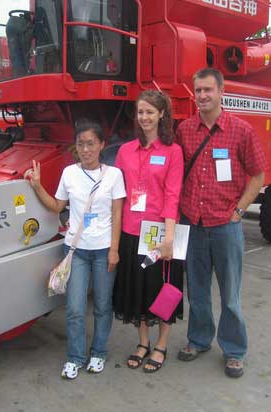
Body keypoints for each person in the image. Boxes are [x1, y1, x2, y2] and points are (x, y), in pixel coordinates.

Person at [176, 68, 267, 378]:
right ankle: (199, 339)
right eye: (198, 90)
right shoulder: (185, 130)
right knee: (197, 291)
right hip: (193, 223)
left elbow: (258, 175)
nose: (202, 96)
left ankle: (234, 349)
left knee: (230, 293)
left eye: (208, 90)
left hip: (225, 225)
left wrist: (239, 211)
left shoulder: (241, 130)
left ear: (221, 92)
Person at [24, 121, 126, 380]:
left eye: (91, 143)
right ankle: (75, 357)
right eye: (81, 144)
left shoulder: (114, 175)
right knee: (75, 307)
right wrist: (37, 186)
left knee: (103, 305)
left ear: (102, 145)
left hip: (104, 250)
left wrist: (115, 249)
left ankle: (99, 352)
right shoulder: (69, 173)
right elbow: (58, 206)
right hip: (76, 250)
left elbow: (117, 214)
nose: (86, 149)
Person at [113, 90, 184, 373]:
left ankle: (162, 344)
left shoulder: (173, 152)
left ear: (162, 114)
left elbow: (172, 196)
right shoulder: (125, 151)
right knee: (139, 291)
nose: (144, 117)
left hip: (159, 232)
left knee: (162, 289)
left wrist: (168, 239)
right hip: (132, 230)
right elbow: (117, 195)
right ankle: (143, 342)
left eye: (150, 112)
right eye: (140, 112)